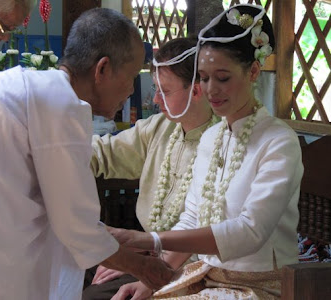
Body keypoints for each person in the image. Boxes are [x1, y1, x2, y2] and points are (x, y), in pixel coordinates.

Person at [109, 4, 304, 300]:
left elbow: (250, 232)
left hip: (262, 285)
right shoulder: (212, 137)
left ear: (253, 71)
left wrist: (148, 239)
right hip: (207, 276)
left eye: (222, 77)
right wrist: (151, 278)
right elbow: (192, 218)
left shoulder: (278, 142)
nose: (211, 89)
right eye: (204, 77)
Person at [0, 7, 174, 300]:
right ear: (102, 69)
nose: (132, 90)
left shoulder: (28, 90)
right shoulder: (59, 105)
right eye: (131, 77)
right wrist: (143, 267)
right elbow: (76, 226)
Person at [83, 37, 218, 300]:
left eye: (164, 91)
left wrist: (144, 260)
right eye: (156, 88)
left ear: (196, 90)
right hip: (146, 250)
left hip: (190, 266)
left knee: (92, 296)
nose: (155, 99)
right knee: (67, 266)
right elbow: (103, 153)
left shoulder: (224, 140)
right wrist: (51, 155)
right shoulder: (158, 128)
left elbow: (211, 231)